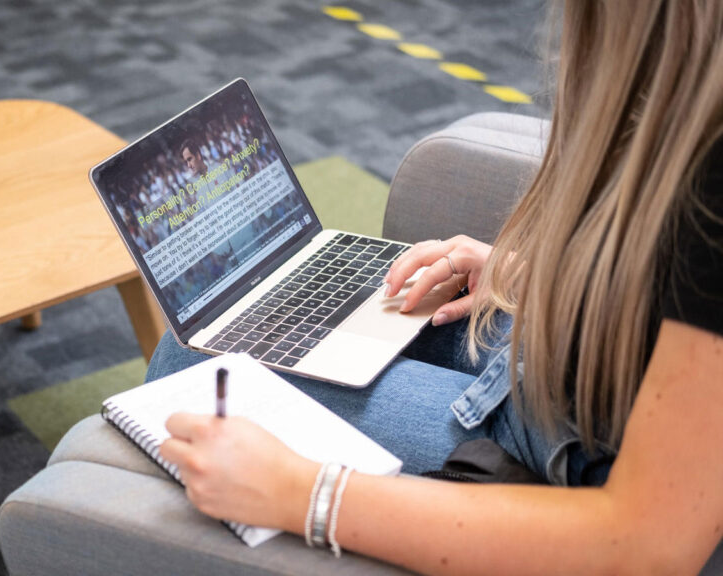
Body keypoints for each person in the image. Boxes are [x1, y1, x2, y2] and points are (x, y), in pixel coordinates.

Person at [148, 1, 723, 573]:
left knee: (190, 361)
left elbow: (649, 546)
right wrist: (530, 274)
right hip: (588, 351)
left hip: (575, 440)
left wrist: (304, 493)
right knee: (244, 322)